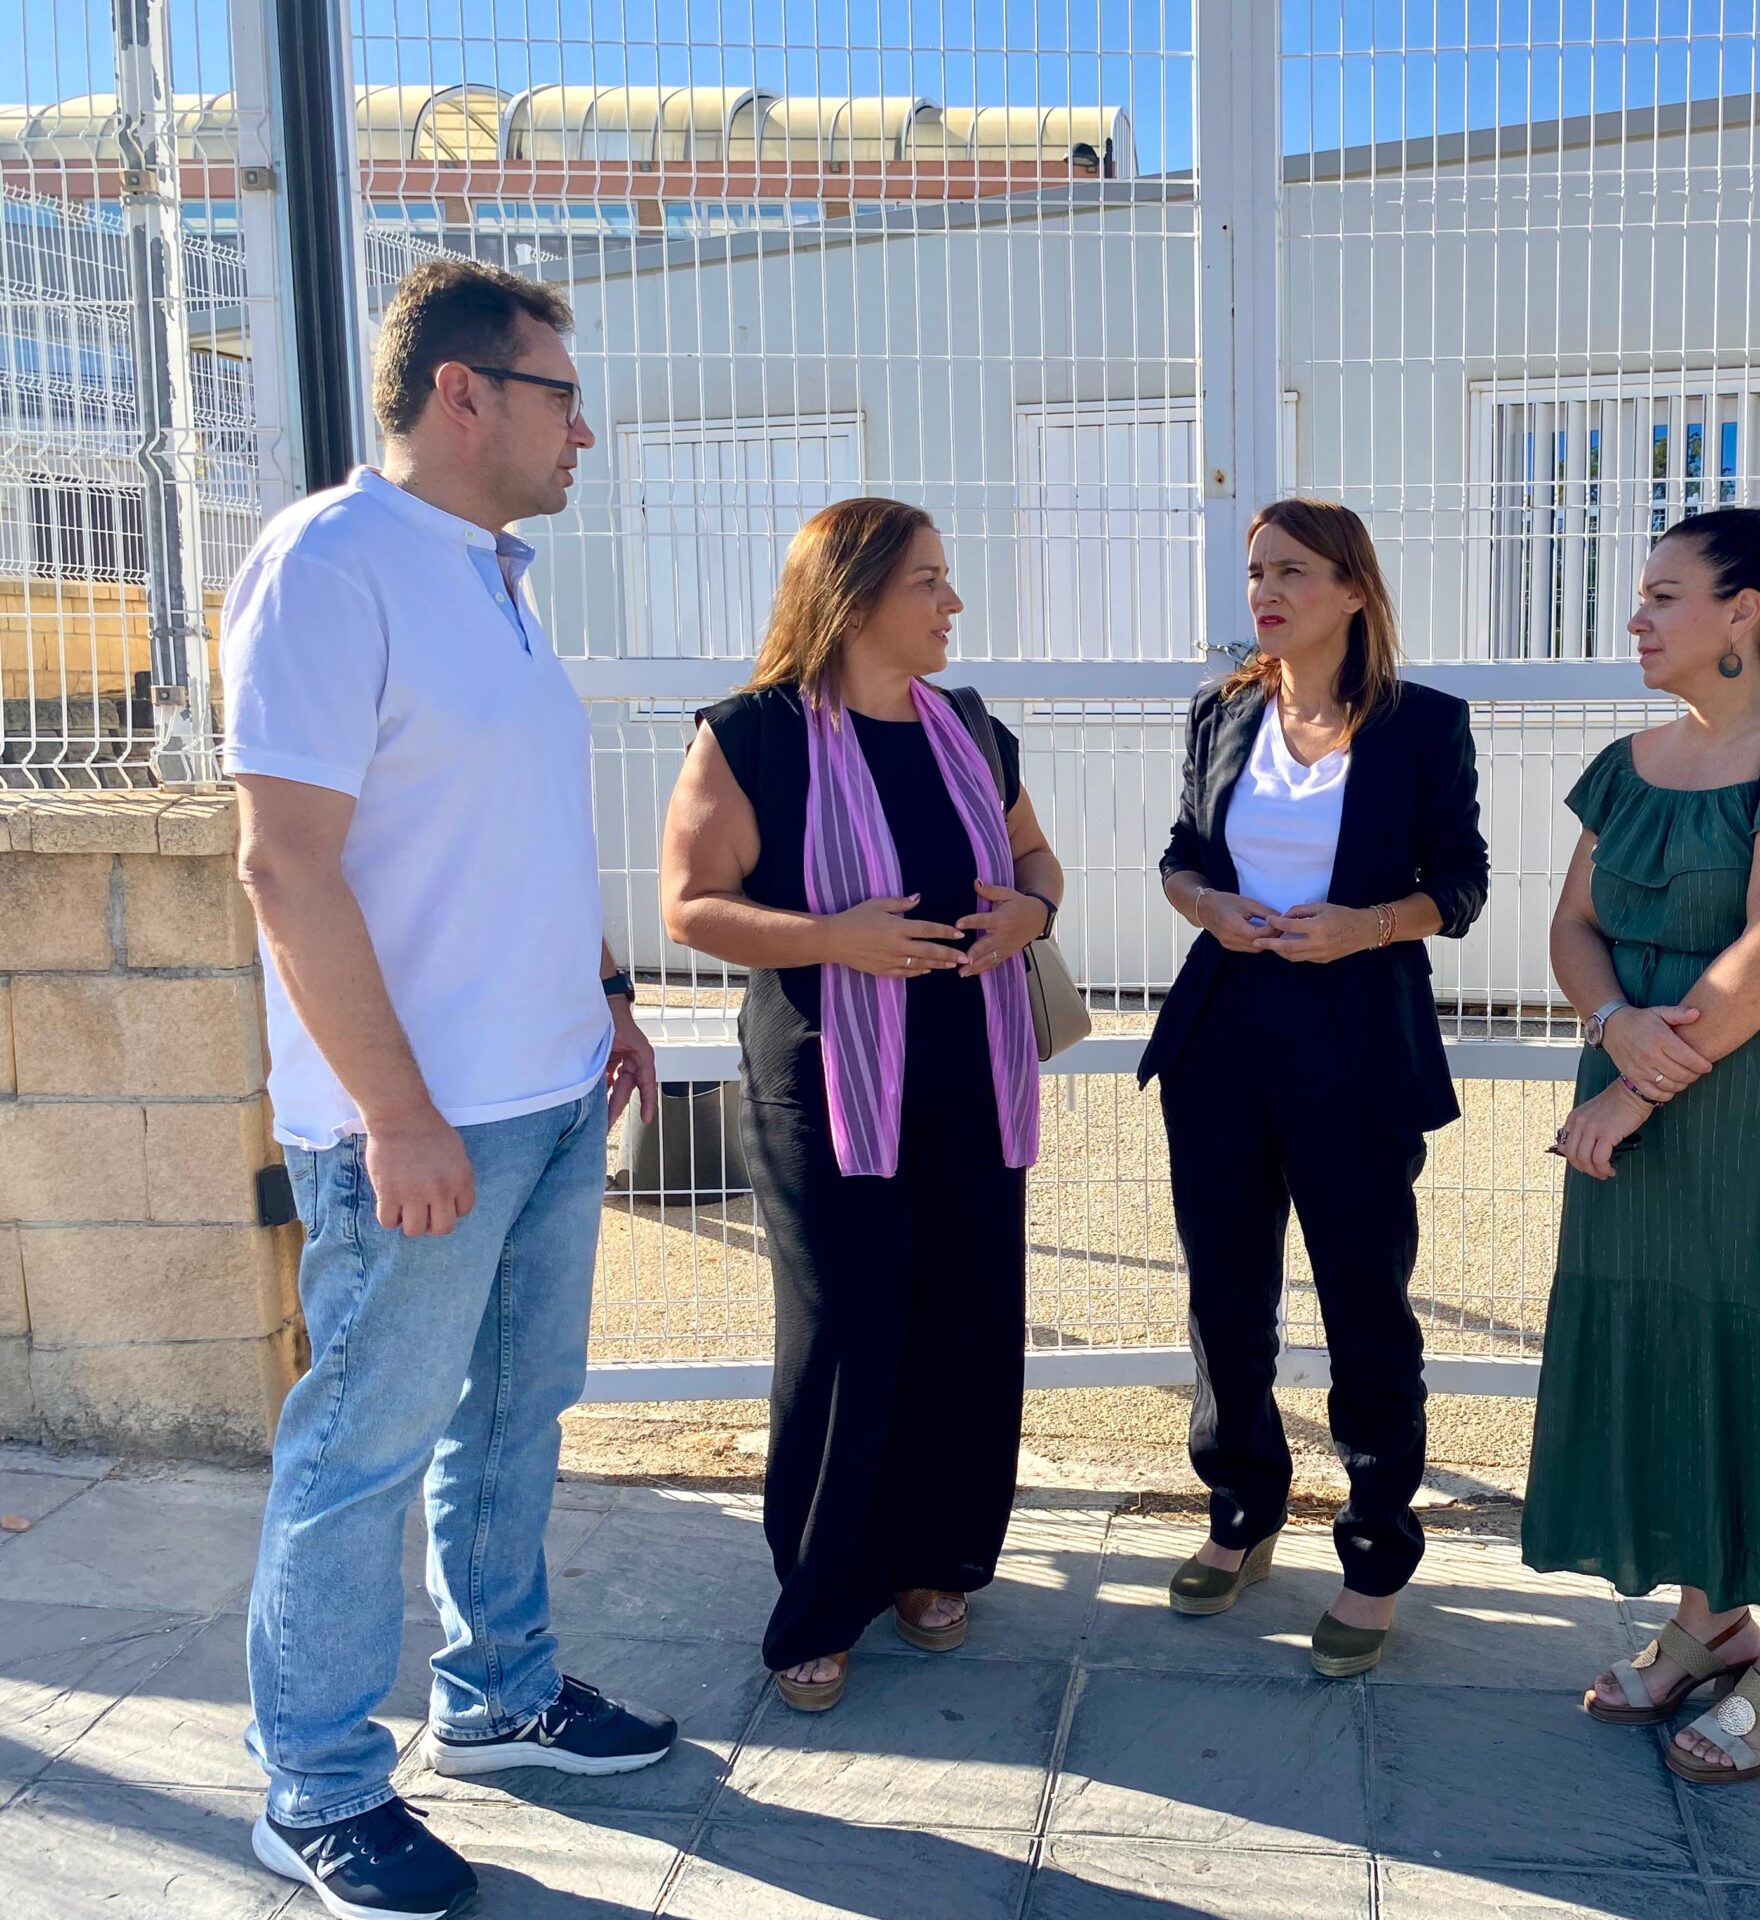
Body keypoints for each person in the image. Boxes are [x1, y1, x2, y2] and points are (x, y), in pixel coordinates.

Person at [227, 259, 677, 1920]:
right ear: (462, 392)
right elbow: (285, 863)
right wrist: (398, 1115)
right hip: (416, 1121)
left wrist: (605, 996)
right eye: (563, 395)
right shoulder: (329, 565)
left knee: (511, 1414)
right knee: (359, 1447)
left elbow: (510, 829)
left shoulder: (496, 577)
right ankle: (319, 1787)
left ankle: (499, 1694)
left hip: (548, 1093)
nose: (584, 432)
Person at [1521, 506, 1760, 1783]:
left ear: (1742, 612)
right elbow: (1571, 927)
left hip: (1755, 1109)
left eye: (1662, 594)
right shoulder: (1627, 763)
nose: (1635, 618)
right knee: (1668, 1344)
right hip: (1633, 1087)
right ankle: (1710, 1619)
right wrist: (1613, 1024)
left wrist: (1633, 1087)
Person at [659, 498, 1062, 1711]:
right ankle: (824, 1597)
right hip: (826, 1086)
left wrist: (1031, 914)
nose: (952, 603)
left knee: (964, 1319)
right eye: (927, 581)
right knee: (845, 1332)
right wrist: (832, 937)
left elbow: (1035, 860)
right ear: (851, 597)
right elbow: (690, 904)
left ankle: (937, 1561)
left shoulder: (970, 729)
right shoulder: (752, 737)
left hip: (971, 1077)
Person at [1141, 497, 1489, 1678]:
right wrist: (1209, 907)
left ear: (1352, 588)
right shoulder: (1222, 710)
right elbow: (1180, 856)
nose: (1265, 592)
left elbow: (1462, 883)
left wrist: (1365, 926)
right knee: (1224, 1297)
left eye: (1290, 571)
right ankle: (1240, 1511)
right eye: (1255, 573)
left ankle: (1375, 1553)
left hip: (1357, 1045)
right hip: (1221, 1035)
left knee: (1363, 1304)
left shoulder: (1422, 723)